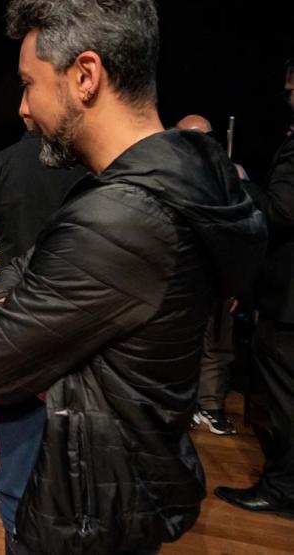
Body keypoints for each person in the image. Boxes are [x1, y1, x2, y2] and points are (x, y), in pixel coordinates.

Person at [0, 2, 267, 554]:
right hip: (123, 477)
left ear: (84, 76)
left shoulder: (121, 216)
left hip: (82, 501)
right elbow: (32, 272)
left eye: (30, 84)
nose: (24, 108)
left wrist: (7, 294)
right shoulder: (180, 182)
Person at [0, 126, 87, 517]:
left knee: (19, 405)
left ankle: (15, 485)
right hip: (80, 305)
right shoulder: (90, 163)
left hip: (14, 300)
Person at [215, 59, 294, 519]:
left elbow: (283, 211)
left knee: (284, 400)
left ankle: (282, 488)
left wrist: (242, 183)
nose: (287, 96)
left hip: (287, 300)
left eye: (290, 88)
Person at [175, 114, 238, 435]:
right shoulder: (169, 174)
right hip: (180, 275)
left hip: (217, 274)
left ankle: (211, 406)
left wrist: (237, 279)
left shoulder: (230, 175)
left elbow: (242, 231)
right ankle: (181, 406)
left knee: (218, 343)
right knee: (176, 343)